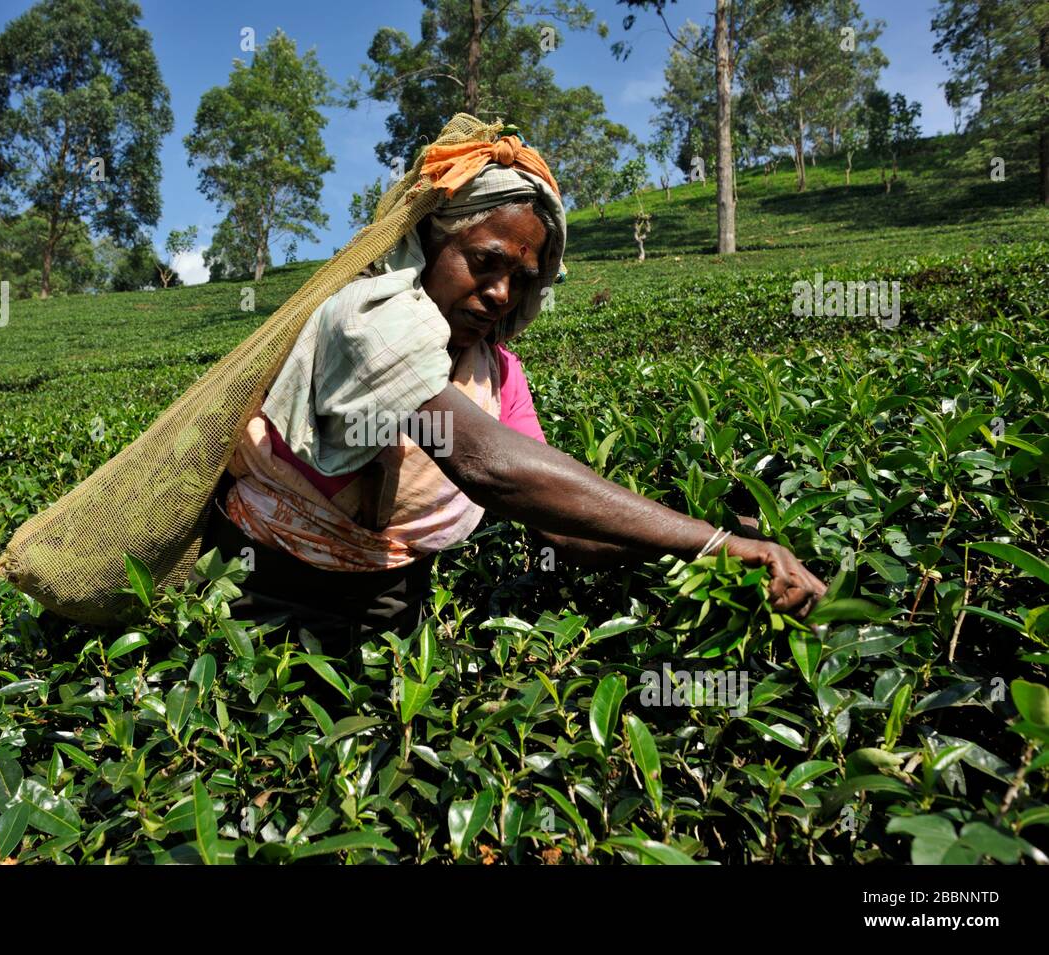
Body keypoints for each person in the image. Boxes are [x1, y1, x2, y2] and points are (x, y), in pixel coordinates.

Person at [196, 129, 826, 660]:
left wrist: (713, 546)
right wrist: (712, 542)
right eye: (483, 262)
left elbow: (559, 530)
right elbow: (489, 466)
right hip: (264, 594)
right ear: (429, 244)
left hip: (393, 606)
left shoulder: (497, 374)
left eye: (521, 278)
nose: (500, 293)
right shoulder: (367, 321)